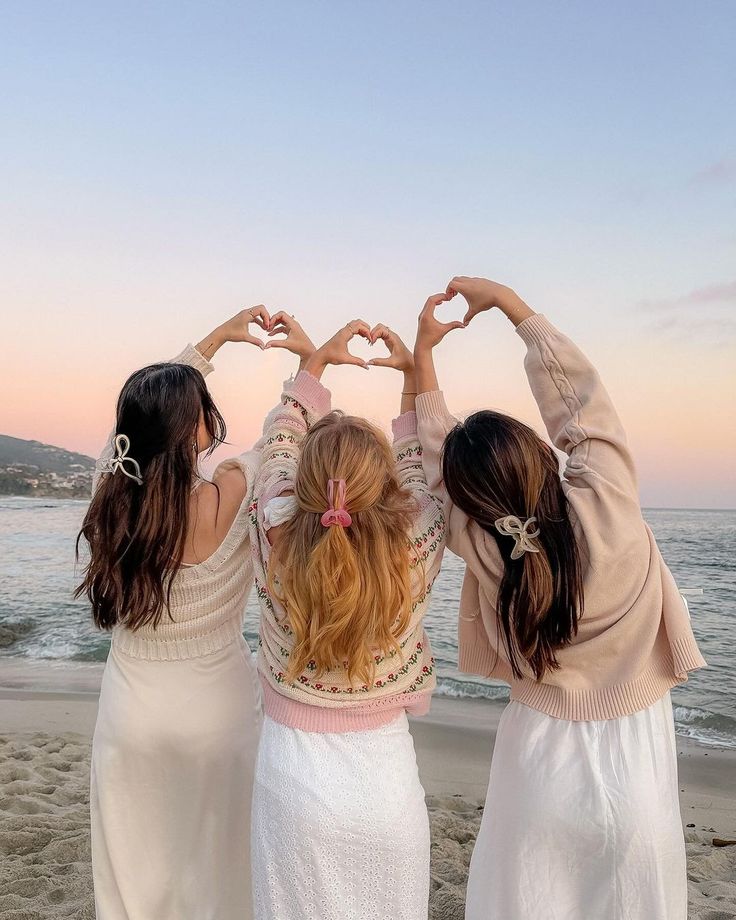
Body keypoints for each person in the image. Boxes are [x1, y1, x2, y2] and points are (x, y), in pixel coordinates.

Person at [413, 277, 706, 920]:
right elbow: (582, 402)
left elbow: (428, 462)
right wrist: (516, 311)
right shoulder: (610, 501)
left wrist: (423, 354)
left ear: (469, 499)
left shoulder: (483, 545)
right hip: (636, 749)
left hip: (539, 754)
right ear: (540, 454)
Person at [76, 306, 313, 920]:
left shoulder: (111, 498)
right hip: (217, 716)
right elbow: (285, 436)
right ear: (195, 432)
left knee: (133, 872)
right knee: (220, 867)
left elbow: (134, 428)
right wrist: (308, 363)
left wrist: (211, 342)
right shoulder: (231, 490)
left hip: (132, 718)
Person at [246, 315, 447, 920]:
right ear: (384, 485)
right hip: (386, 791)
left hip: (291, 781)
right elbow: (421, 468)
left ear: (303, 482)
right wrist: (415, 378)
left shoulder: (272, 522)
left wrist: (314, 368)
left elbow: (282, 440)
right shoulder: (419, 535)